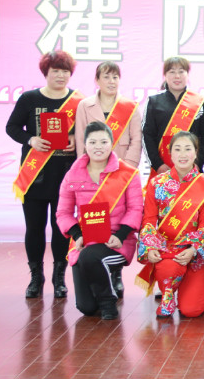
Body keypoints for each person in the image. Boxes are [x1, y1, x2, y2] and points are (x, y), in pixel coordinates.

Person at [6, 50, 83, 298]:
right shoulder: (29, 99)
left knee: (61, 228)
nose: (61, 76)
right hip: (35, 176)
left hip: (65, 176)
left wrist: (75, 138)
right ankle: (35, 278)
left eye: (65, 71)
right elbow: (12, 127)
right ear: (45, 73)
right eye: (55, 71)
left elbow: (89, 131)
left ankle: (59, 278)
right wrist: (31, 140)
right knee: (34, 228)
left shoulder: (79, 101)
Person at [56, 121, 143, 319]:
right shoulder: (72, 175)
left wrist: (121, 235)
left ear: (111, 144)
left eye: (103, 142)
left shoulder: (128, 173)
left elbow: (136, 209)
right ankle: (103, 287)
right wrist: (77, 235)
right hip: (84, 242)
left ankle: (107, 301)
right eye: (92, 142)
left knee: (90, 257)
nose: (98, 147)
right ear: (84, 144)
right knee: (86, 308)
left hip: (117, 242)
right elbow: (63, 213)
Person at [74, 62, 142, 297]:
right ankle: (97, 267)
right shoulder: (84, 105)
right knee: (97, 221)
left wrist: (126, 171)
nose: (112, 81)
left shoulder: (130, 106)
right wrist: (85, 170)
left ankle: (116, 272)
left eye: (115, 77)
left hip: (121, 175)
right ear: (97, 80)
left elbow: (136, 140)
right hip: (93, 173)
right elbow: (81, 141)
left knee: (120, 220)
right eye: (107, 77)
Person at [136, 131, 204, 317]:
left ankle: (186, 289)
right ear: (170, 154)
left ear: (196, 153)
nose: (183, 154)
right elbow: (149, 219)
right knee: (168, 268)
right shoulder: (156, 183)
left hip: (195, 252)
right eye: (177, 149)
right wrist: (150, 247)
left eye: (188, 149)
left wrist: (192, 250)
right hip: (167, 249)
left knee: (191, 310)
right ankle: (167, 295)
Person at [142, 56, 204, 177]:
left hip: (193, 168)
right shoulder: (154, 101)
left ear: (187, 74)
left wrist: (198, 162)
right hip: (162, 170)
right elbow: (148, 135)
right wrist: (158, 165)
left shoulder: (199, 101)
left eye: (181, 71)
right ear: (165, 75)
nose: (177, 76)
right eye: (172, 72)